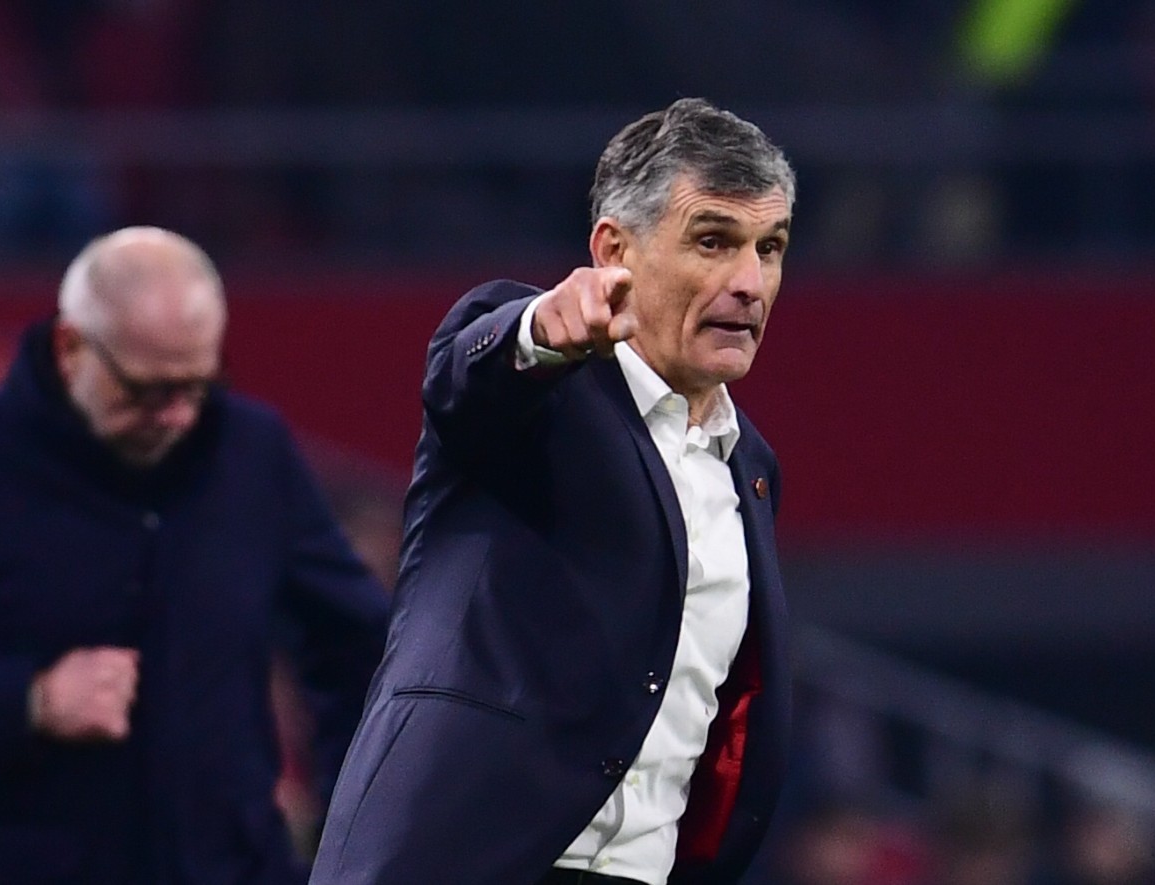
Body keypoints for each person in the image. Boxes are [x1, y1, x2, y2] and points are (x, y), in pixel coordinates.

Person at [311, 97, 795, 885]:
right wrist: (537, 332)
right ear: (614, 250)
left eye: (768, 248)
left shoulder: (752, 467)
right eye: (713, 241)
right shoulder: (548, 392)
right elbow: (465, 378)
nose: (749, 283)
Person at [0, 226, 390, 884]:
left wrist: (355, 833)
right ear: (70, 347)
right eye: (147, 391)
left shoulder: (250, 452)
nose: (177, 416)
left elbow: (355, 646)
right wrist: (27, 701)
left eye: (197, 386)